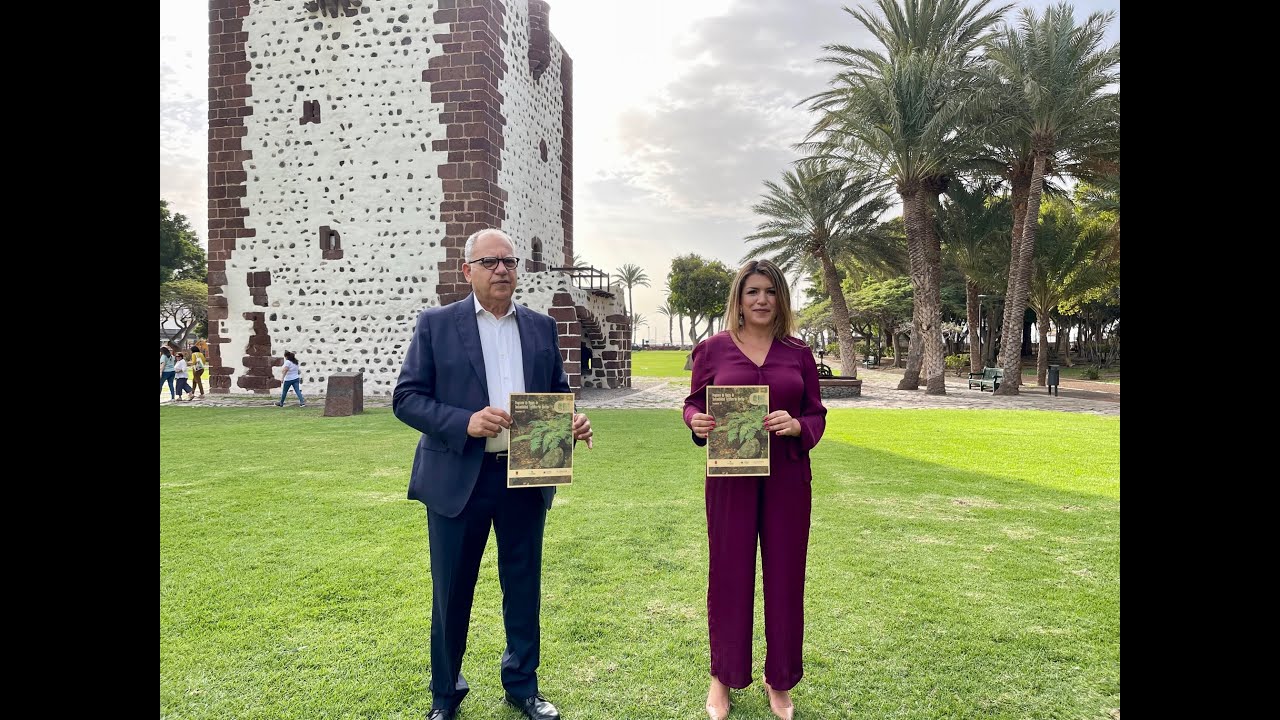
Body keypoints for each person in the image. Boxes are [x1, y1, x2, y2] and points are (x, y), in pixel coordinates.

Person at [393, 228, 593, 720]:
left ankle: (522, 686)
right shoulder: (436, 325)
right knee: (451, 591)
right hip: (459, 478)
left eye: (509, 261)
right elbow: (407, 398)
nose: (501, 269)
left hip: (526, 475)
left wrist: (572, 421)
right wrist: (464, 422)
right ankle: (445, 693)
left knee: (523, 588)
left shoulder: (542, 327)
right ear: (468, 271)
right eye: (489, 261)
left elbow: (556, 393)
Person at [682, 260, 827, 720]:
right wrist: (696, 422)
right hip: (731, 480)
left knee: (785, 577)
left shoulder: (798, 353)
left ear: (780, 298)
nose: (762, 299)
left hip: (788, 480)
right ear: (739, 300)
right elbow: (693, 404)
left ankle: (779, 679)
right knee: (729, 575)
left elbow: (816, 413)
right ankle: (722, 676)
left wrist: (797, 425)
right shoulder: (712, 350)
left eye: (770, 291)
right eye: (752, 292)